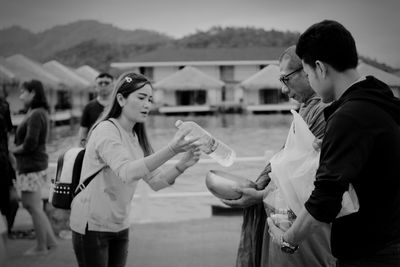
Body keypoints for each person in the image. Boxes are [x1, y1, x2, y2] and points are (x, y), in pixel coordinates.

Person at [268, 20, 400, 266]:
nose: (310, 81)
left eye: (307, 74)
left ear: (319, 68)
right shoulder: (383, 104)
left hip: (370, 254)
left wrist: (288, 239)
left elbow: (325, 201)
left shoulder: (349, 117)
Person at [70, 72, 202, 267]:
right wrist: (172, 149)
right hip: (92, 225)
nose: (147, 104)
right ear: (121, 99)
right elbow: (127, 173)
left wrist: (183, 164)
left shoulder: (136, 136)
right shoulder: (106, 130)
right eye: (141, 98)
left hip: (120, 225)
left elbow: (157, 182)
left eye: (150, 99)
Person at [223, 46, 334, 267]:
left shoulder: (325, 111)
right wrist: (261, 189)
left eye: (286, 79)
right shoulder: (307, 110)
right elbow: (289, 162)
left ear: (309, 71)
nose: (283, 89)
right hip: (293, 219)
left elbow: (308, 178)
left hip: (308, 226)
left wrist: (260, 195)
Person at [11, 80, 58, 256]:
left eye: (23, 92)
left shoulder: (37, 113)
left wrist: (12, 151)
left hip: (31, 165)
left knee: (31, 206)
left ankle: (40, 246)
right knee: (34, 206)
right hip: (33, 165)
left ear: (33, 93)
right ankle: (51, 242)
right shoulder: (36, 112)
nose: (21, 96)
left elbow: (31, 143)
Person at [0, 89, 19, 237]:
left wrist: (10, 154)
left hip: (3, 158)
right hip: (3, 157)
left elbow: (8, 133)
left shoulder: (4, 105)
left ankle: (8, 229)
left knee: (10, 200)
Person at [78, 72, 114, 147]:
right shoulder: (89, 107)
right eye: (100, 83)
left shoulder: (118, 105)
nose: (103, 85)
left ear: (113, 85)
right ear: (95, 86)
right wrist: (81, 149)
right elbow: (83, 131)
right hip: (93, 147)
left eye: (107, 83)